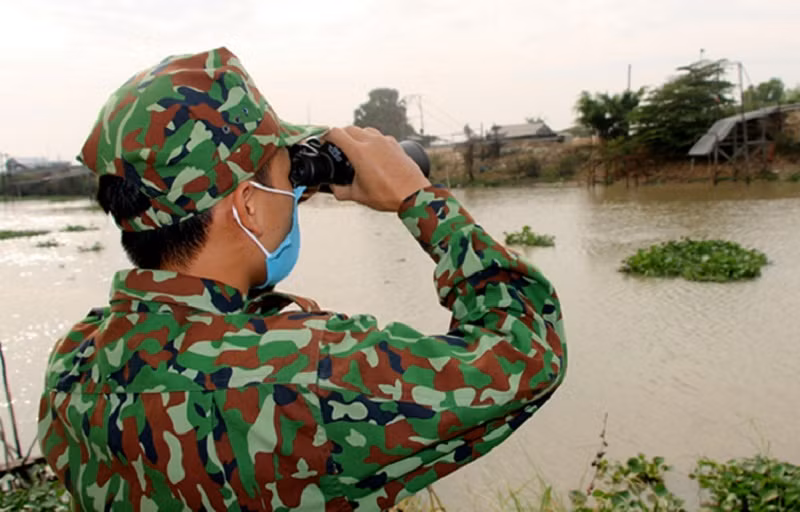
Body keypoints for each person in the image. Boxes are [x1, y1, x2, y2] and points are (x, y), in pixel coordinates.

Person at [38, 47, 567, 511]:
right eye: (285, 178)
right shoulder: (315, 372)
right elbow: (530, 348)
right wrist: (416, 197)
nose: (297, 194)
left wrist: (281, 194)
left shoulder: (73, 363)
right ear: (247, 203)